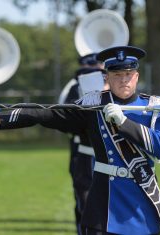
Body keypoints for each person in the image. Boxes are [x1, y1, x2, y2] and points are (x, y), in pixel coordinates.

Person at [0, 46, 160, 234]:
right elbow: (46, 114)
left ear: (136, 76)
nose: (123, 80)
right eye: (117, 74)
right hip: (105, 202)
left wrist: (123, 122)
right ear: (107, 77)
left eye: (128, 74)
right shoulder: (93, 104)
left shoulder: (155, 107)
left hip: (141, 201)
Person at [59, 62, 107, 234]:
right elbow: (65, 119)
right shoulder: (75, 87)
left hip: (109, 158)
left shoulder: (113, 89)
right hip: (85, 153)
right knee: (85, 203)